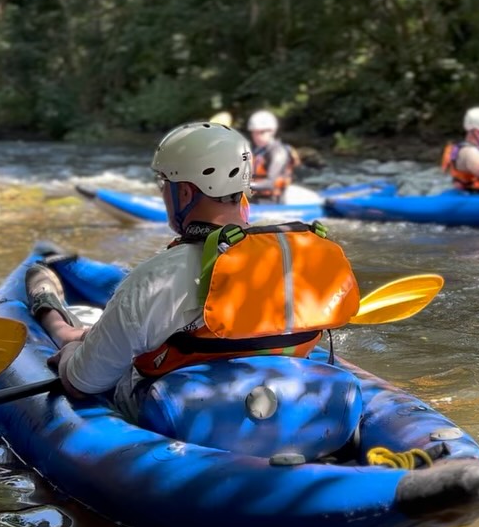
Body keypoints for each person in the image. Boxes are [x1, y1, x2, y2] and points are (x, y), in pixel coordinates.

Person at [25, 121, 358, 421]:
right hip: (297, 408)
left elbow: (83, 384)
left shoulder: (154, 280)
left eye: (163, 185)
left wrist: (69, 354)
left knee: (90, 355)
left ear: (183, 191)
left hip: (184, 418)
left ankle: (60, 322)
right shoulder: (296, 260)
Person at [247, 110, 299, 203]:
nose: (257, 136)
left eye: (261, 132)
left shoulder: (278, 152)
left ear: (272, 131)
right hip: (255, 198)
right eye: (254, 133)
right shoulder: (256, 151)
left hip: (271, 202)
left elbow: (270, 184)